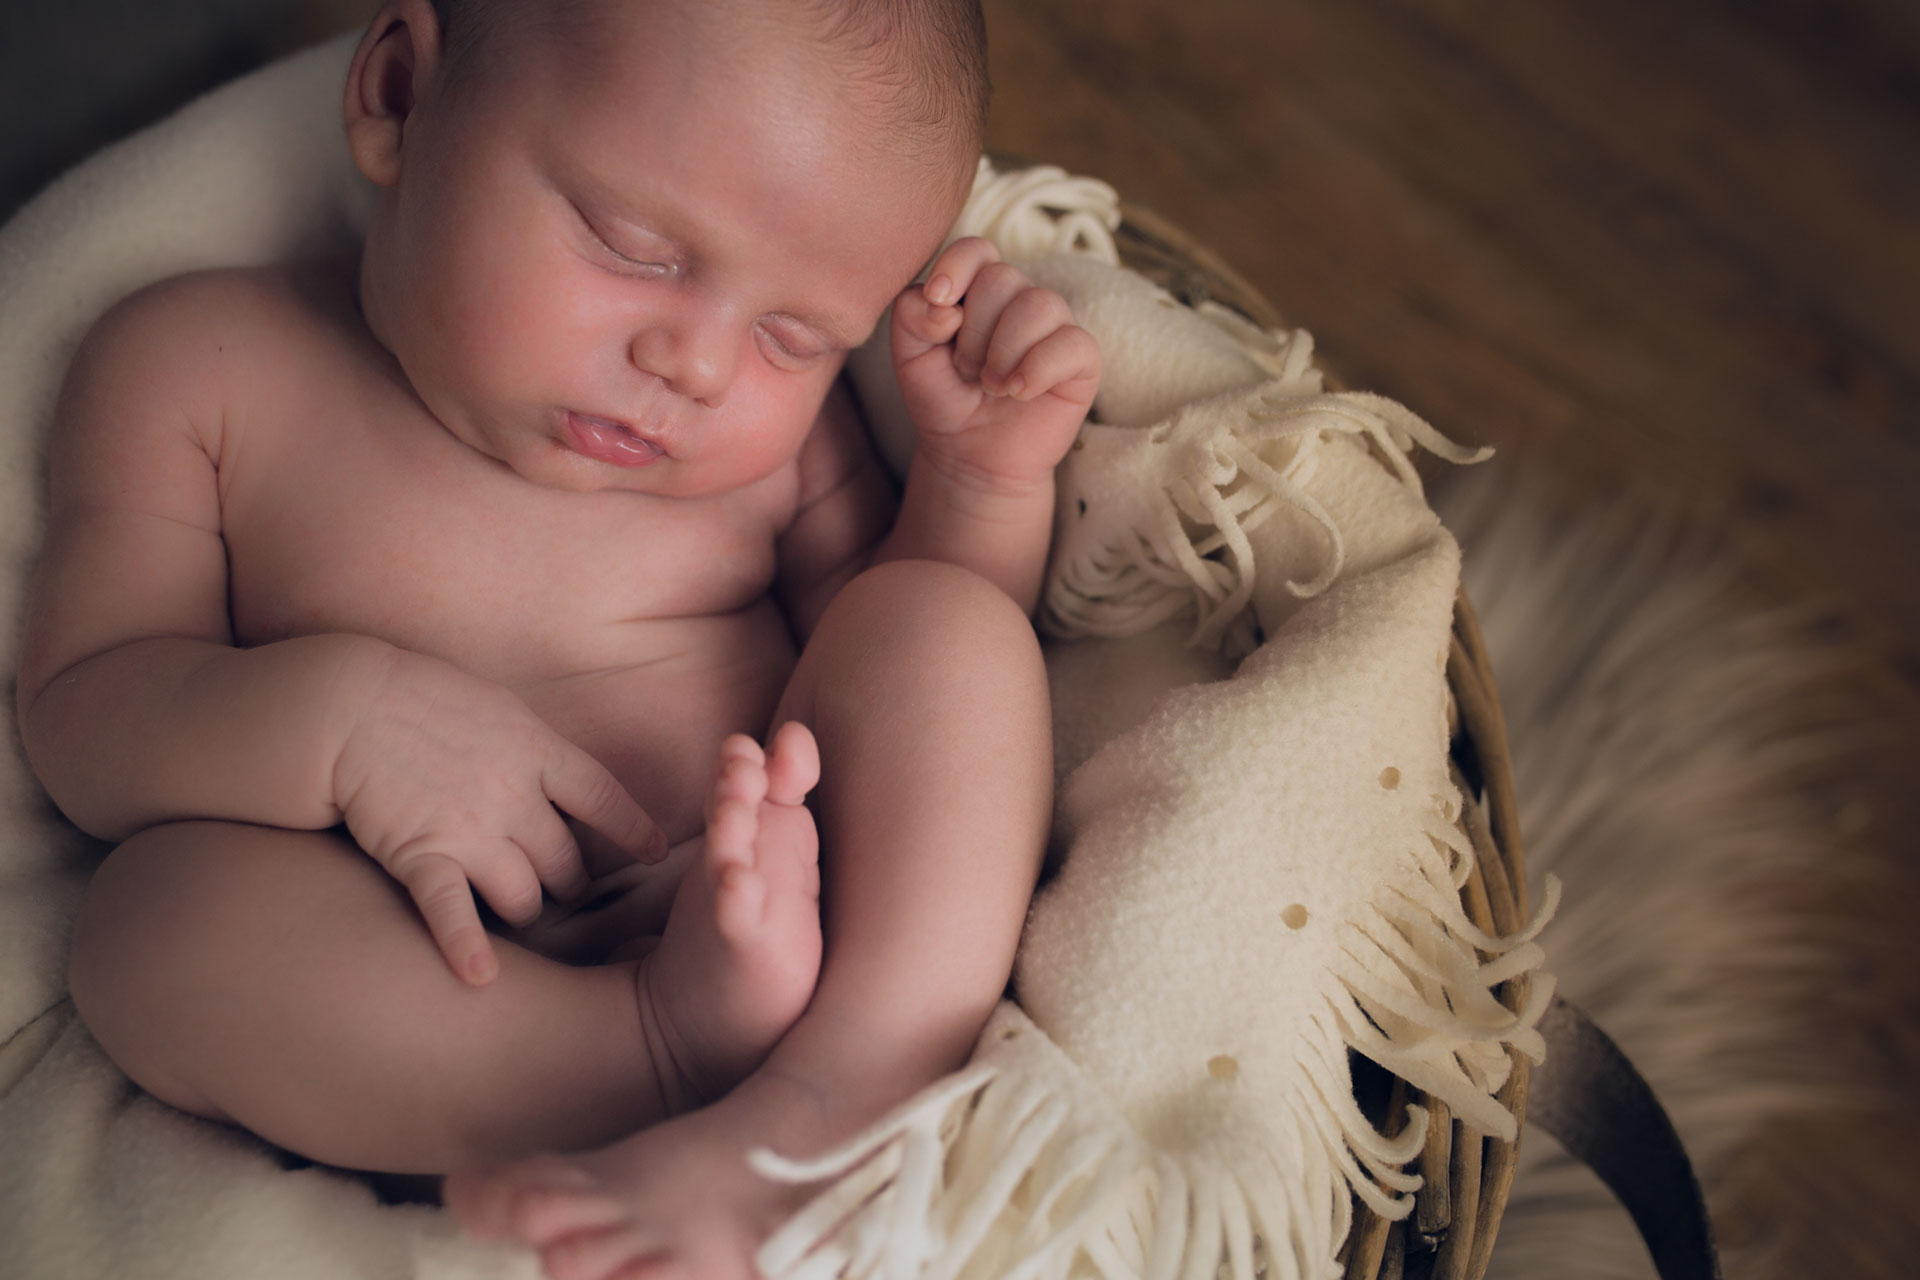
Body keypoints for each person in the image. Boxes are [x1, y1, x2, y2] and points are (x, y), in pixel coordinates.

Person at [14, 0, 1099, 1274]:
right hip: (430, 967)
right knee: (148, 931)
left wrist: (975, 488)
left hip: (767, 884)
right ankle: (640, 1063)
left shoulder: (783, 456)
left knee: (944, 625)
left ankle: (840, 1086)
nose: (695, 364)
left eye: (791, 337)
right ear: (403, 94)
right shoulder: (199, 365)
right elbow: (90, 709)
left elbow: (897, 695)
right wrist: (342, 723)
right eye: (636, 246)